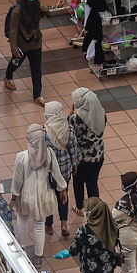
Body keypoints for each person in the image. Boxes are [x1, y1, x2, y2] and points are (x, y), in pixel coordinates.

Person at [10, 123, 65, 267]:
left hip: (26, 195)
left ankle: (21, 250)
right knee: (39, 225)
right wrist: (62, 189)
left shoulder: (22, 157)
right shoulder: (49, 154)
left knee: (22, 220)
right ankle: (38, 257)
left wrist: (13, 197)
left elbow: (17, 180)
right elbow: (57, 174)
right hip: (44, 195)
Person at [5, 0, 48, 104]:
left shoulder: (36, 5)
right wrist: (14, 48)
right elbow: (13, 30)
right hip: (21, 44)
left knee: (36, 69)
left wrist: (44, 11)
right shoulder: (17, 11)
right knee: (15, 63)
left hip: (35, 42)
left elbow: (36, 19)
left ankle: (37, 95)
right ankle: (8, 76)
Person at [43, 101, 79, 238]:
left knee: (49, 197)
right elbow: (73, 150)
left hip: (49, 172)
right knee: (63, 195)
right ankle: (63, 224)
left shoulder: (44, 131)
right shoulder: (68, 129)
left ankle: (49, 225)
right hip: (64, 170)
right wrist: (74, 165)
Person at [69, 87, 106, 215]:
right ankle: (95, 210)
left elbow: (69, 131)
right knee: (92, 183)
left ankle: (79, 207)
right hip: (98, 155)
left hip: (82, 158)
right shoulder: (101, 112)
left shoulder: (77, 119)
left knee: (78, 182)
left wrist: (70, 112)